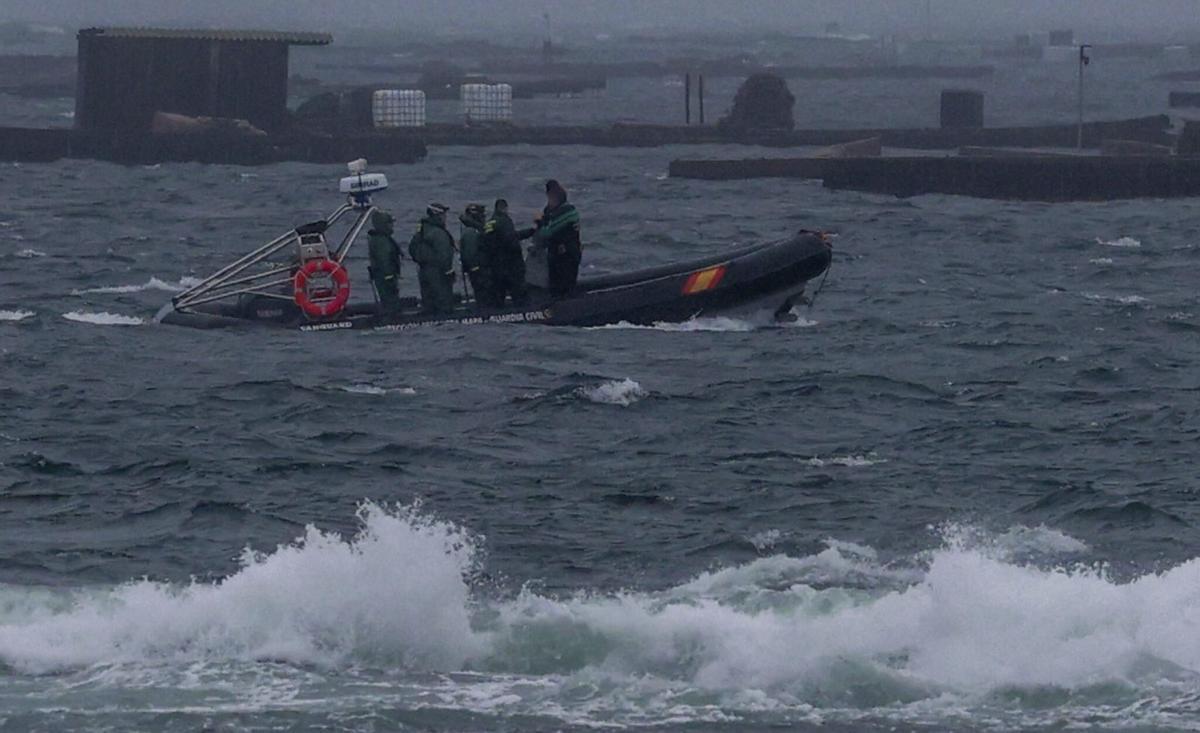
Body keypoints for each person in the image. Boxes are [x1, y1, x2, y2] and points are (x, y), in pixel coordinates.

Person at [522, 179, 581, 297]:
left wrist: (540, 222)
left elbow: (547, 232)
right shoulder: (551, 211)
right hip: (555, 257)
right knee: (556, 285)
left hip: (567, 256)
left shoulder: (567, 212)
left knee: (565, 286)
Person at [408, 203, 456, 314]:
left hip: (423, 271)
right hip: (438, 273)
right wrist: (449, 272)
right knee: (443, 303)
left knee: (429, 303)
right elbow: (445, 256)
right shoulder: (439, 234)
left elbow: (412, 249)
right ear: (437, 215)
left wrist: (422, 260)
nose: (445, 217)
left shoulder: (421, 231)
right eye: (443, 214)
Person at [483, 198, 528, 307]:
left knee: (498, 298)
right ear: (505, 208)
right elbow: (511, 240)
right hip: (510, 266)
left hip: (495, 266)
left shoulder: (489, 223)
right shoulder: (504, 221)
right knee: (519, 296)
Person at [366, 210, 403, 313]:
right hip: (385, 277)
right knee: (390, 301)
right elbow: (384, 259)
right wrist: (389, 276)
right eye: (390, 223)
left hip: (383, 276)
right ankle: (391, 316)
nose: (392, 226)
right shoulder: (382, 241)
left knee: (388, 299)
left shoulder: (379, 239)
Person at [458, 203, 490, 307]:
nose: (484, 218)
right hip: (479, 271)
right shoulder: (472, 232)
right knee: (483, 295)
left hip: (480, 269)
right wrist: (475, 268)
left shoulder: (475, 230)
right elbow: (470, 253)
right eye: (482, 216)